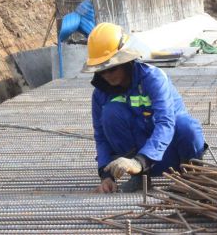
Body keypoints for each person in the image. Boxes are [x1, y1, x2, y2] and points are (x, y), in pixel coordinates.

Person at [84, 22, 205, 193]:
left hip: (170, 153)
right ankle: (141, 179)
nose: (106, 75)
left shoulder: (153, 79)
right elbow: (101, 137)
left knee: (186, 125)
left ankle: (192, 177)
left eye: (111, 68)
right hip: (138, 163)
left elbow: (166, 123)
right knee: (110, 113)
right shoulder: (100, 94)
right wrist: (106, 175)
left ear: (125, 59)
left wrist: (140, 161)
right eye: (101, 70)